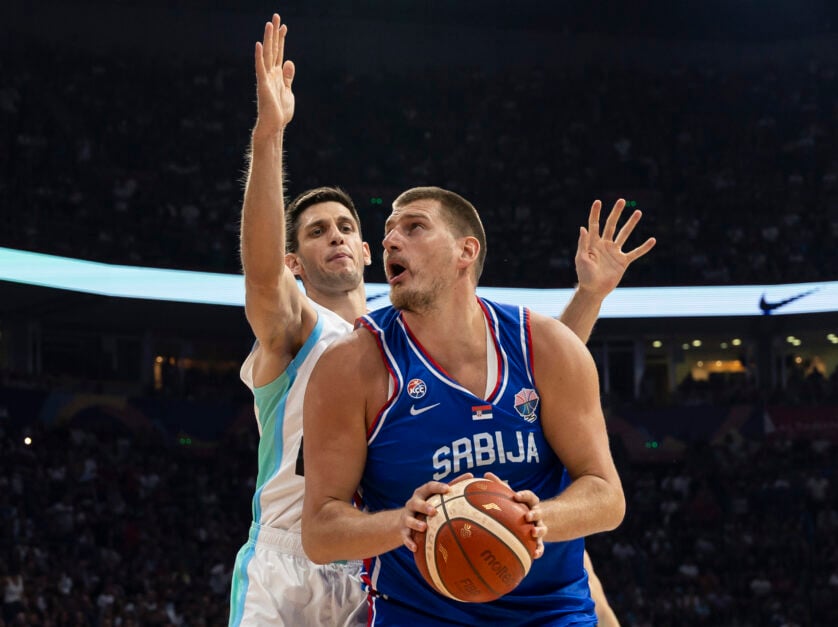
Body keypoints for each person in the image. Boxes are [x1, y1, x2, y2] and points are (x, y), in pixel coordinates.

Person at [231, 13, 652, 627]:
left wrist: (587, 298)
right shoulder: (311, 335)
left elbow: (526, 374)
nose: (341, 237)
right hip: (306, 552)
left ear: (368, 253)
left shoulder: (406, 331)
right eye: (317, 232)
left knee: (585, 580)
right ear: (295, 260)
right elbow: (263, 275)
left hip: (383, 559)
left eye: (348, 227)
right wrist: (270, 135)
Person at [301, 187, 634, 625]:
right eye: (388, 232)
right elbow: (320, 532)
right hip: (416, 615)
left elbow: (607, 496)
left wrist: (532, 519)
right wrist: (402, 523)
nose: (390, 241)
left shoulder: (547, 345)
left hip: (550, 611)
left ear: (466, 251)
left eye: (414, 227)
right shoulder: (350, 366)